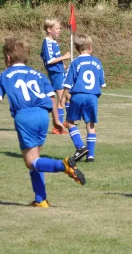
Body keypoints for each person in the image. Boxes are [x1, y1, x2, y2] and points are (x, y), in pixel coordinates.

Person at [0, 38, 85, 207]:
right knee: (35, 159)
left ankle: (64, 165)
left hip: (24, 116)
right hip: (42, 116)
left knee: (31, 161)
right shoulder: (38, 75)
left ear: (8, 58)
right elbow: (52, 97)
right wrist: (56, 120)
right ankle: (41, 200)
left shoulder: (4, 76)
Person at [61, 34, 106, 163]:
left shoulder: (75, 63)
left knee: (70, 122)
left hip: (78, 95)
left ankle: (80, 147)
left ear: (76, 48)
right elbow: (102, 83)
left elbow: (68, 82)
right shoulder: (97, 62)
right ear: (90, 47)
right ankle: (90, 155)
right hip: (92, 97)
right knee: (90, 125)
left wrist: (63, 97)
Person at [40, 19, 71, 134]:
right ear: (49, 30)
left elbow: (54, 58)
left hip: (59, 72)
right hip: (56, 74)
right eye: (57, 29)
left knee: (67, 97)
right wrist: (64, 57)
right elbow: (49, 60)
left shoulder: (53, 42)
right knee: (62, 98)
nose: (59, 31)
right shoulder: (47, 43)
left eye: (60, 28)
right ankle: (57, 127)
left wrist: (62, 65)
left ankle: (66, 122)